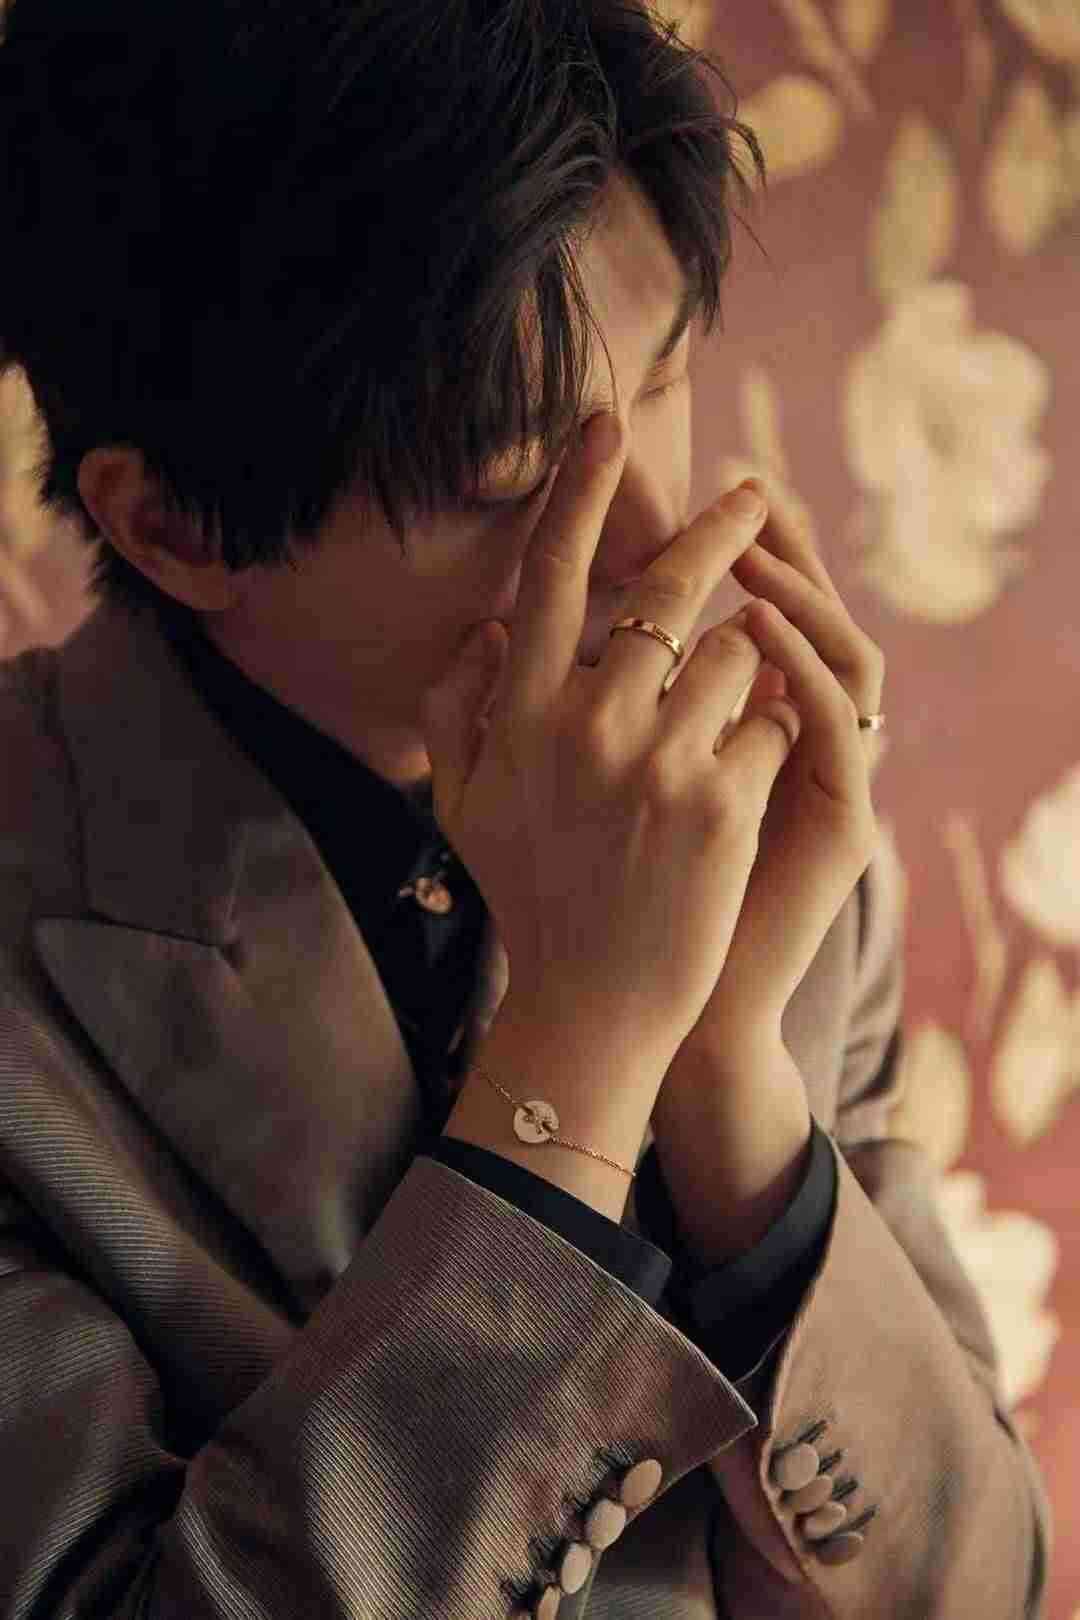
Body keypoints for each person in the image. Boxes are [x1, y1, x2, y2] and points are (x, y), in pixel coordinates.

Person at [0, 1, 1051, 1616]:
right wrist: (584, 1048)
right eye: (512, 480)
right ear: (178, 528)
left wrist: (727, 1078)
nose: (654, 543)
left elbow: (974, 1586)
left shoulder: (755, 815)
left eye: (669, 378)